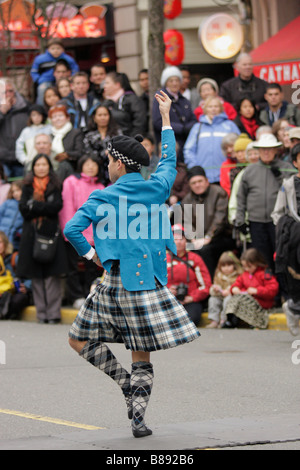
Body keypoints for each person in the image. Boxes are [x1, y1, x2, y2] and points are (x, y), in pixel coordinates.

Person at [63, 91, 200, 438]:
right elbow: (168, 160)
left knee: (79, 340)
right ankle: (138, 415)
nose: (107, 165)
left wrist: (93, 256)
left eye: (109, 160)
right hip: (150, 283)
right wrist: (166, 120)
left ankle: (125, 384)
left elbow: (72, 229)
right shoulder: (156, 187)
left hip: (113, 282)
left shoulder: (102, 195)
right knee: (142, 355)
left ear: (119, 163)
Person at [16, 154, 67, 324]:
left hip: (51, 232)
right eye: (38, 165)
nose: (41, 167)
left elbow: (56, 207)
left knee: (52, 275)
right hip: (31, 233)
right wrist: (43, 208)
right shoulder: (27, 185)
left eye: (44, 164)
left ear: (49, 167)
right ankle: (42, 313)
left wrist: (35, 206)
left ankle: (53, 313)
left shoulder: (56, 184)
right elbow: (23, 209)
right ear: (33, 167)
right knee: (36, 275)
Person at [235, 133, 295, 273]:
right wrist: (240, 220)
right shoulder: (249, 170)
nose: (266, 152)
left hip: (280, 222)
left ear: (276, 150)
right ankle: (268, 289)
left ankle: (284, 291)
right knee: (262, 258)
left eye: (269, 149)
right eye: (263, 149)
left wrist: (280, 177)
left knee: (281, 256)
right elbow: (241, 197)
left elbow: (293, 191)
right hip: (256, 221)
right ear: (258, 151)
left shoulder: (286, 168)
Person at [59, 155, 105, 309]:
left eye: (94, 164)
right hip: (75, 235)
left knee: (92, 268)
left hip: (95, 237)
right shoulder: (71, 182)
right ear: (81, 165)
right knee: (73, 269)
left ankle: (89, 295)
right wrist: (69, 233)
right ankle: (76, 296)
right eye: (87, 164)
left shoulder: (101, 187)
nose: (91, 167)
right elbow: (67, 208)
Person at [181, 166, 235, 278]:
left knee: (205, 250)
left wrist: (208, 236)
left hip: (220, 236)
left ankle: (209, 282)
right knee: (186, 249)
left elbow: (220, 218)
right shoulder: (187, 199)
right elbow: (186, 222)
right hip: (198, 239)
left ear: (207, 181)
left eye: (200, 181)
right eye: (193, 183)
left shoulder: (218, 192)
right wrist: (193, 238)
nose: (197, 185)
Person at [271, 143, 300, 336]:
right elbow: (277, 213)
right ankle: (293, 305)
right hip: (295, 238)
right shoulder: (288, 184)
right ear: (296, 162)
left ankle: (294, 305)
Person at [183, 96, 240, 183]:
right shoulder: (198, 127)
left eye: (216, 106)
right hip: (203, 178)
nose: (213, 109)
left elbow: (239, 148)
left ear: (221, 108)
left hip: (226, 175)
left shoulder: (230, 125)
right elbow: (188, 150)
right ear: (205, 109)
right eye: (210, 106)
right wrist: (195, 168)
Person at [167, 224, 211, 326]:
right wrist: (167, 291)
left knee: (191, 320)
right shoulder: (162, 259)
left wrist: (192, 297)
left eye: (181, 239)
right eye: (175, 239)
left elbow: (206, 285)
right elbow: (155, 282)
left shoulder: (195, 259)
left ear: (186, 241)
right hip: (168, 300)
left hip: (190, 300)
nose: (178, 242)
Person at [223, 248, 279, 329]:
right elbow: (237, 283)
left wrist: (257, 291)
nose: (247, 269)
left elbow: (273, 289)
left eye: (249, 266)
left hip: (261, 301)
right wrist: (234, 288)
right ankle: (231, 320)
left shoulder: (265, 274)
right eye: (244, 267)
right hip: (246, 298)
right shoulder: (244, 274)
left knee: (243, 301)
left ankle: (251, 321)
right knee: (235, 299)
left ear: (257, 263)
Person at [152, 66, 197, 161]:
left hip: (185, 143)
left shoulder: (184, 100)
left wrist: (188, 128)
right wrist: (181, 128)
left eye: (177, 80)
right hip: (168, 142)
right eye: (171, 81)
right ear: (166, 83)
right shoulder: (160, 98)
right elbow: (157, 122)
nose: (174, 83)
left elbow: (193, 119)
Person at [30, 38, 79, 105]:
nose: (55, 51)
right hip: (46, 81)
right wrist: (38, 79)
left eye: (58, 48)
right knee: (42, 89)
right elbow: (34, 71)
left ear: (62, 49)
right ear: (48, 49)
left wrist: (72, 78)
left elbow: (75, 69)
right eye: (53, 49)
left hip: (64, 80)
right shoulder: (40, 59)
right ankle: (41, 107)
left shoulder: (68, 59)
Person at [83, 103, 122, 187]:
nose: (103, 117)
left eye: (105, 115)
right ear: (94, 118)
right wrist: (102, 154)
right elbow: (88, 152)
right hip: (97, 168)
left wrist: (111, 153)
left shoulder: (117, 133)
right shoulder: (89, 135)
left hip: (113, 168)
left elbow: (122, 150)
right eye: (100, 115)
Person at [0, 78, 30, 178]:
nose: (8, 94)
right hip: (2, 159)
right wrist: (2, 112)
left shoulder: (26, 106)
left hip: (20, 159)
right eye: (4, 92)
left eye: (11, 91)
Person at [103, 71, 147, 137]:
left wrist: (132, 141)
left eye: (107, 83)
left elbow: (139, 123)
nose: (104, 86)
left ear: (117, 85)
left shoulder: (132, 99)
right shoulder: (107, 102)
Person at [207, 251, 242, 328]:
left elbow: (238, 287)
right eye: (223, 266)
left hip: (232, 297)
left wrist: (229, 291)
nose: (226, 268)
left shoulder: (238, 275)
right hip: (220, 295)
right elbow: (213, 288)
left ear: (234, 265)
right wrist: (215, 290)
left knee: (227, 300)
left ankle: (224, 320)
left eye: (229, 265)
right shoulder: (218, 275)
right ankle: (214, 320)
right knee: (212, 300)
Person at [0, 231, 31, 320]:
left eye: (0, 242)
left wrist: (26, 286)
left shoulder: (14, 258)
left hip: (12, 292)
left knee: (20, 298)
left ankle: (8, 314)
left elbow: (29, 276)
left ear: (5, 244)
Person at [48, 104, 84, 181]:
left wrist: (67, 155)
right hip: (52, 168)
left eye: (60, 115)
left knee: (63, 165)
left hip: (71, 168)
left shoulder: (75, 133)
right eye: (54, 117)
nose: (57, 119)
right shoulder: (49, 135)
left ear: (67, 118)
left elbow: (80, 152)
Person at [0, 181, 23, 251]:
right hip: (2, 236)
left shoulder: (26, 206)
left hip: (14, 240)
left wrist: (18, 233)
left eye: (18, 190)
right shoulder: (8, 203)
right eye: (13, 191)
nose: (15, 193)